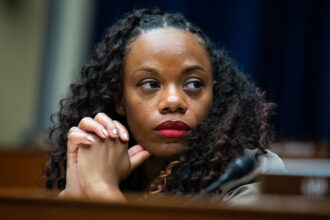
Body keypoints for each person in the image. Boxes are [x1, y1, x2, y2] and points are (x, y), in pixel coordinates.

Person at [45, 8, 285, 205]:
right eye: (150, 84)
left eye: (193, 84)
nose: (173, 102)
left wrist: (102, 189)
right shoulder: (107, 168)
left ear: (215, 94)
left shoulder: (255, 172)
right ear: (119, 99)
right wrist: (76, 195)